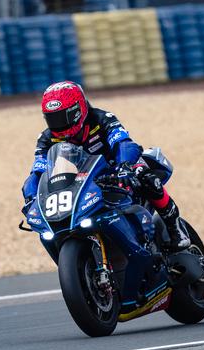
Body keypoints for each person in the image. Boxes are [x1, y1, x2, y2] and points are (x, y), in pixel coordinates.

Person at [21, 81, 190, 251]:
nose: (57, 124)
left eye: (61, 117)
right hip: (81, 183)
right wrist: (30, 198)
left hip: (116, 170)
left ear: (78, 111)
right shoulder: (47, 138)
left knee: (144, 174)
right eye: (52, 119)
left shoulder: (102, 119)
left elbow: (124, 143)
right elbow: (37, 171)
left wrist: (124, 166)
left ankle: (174, 226)